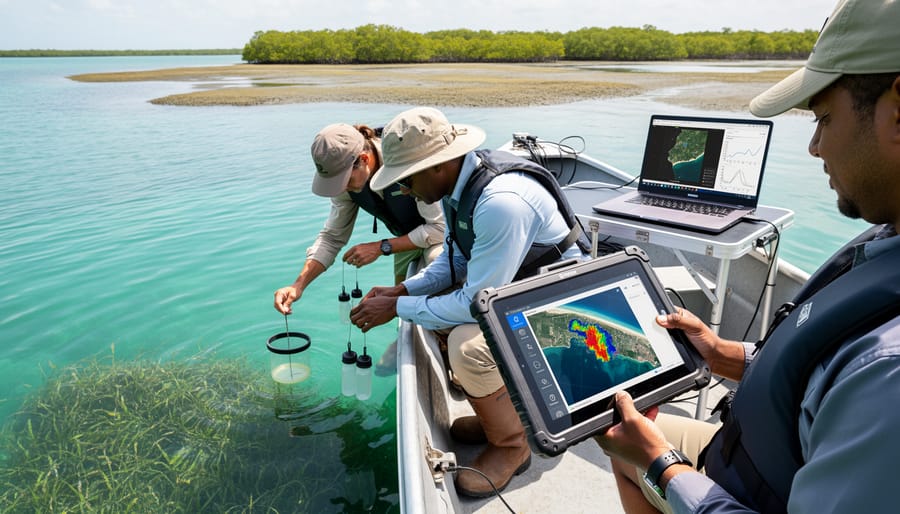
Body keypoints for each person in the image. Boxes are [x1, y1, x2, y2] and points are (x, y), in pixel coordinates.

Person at [595, 0, 900, 512]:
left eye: (824, 117)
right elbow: (819, 369)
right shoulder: (888, 235)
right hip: (752, 456)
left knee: (636, 445)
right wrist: (723, 353)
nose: (815, 146)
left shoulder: (888, 376)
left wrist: (661, 465)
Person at [349, 106, 599, 497]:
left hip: (568, 308)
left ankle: (512, 445)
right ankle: (502, 415)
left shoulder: (501, 202)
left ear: (438, 165)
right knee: (438, 315)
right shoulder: (457, 189)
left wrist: (396, 309)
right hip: (524, 289)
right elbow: (455, 260)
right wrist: (404, 290)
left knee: (467, 346)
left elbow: (473, 304)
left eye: (406, 179)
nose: (401, 190)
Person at [273, 123, 445, 374]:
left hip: (442, 233)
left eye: (343, 181)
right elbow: (332, 238)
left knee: (437, 260)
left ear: (364, 159)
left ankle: (447, 348)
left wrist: (381, 247)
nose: (341, 188)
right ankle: (404, 338)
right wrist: (298, 285)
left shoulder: (404, 160)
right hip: (406, 237)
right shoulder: (346, 183)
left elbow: (440, 229)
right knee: (400, 303)